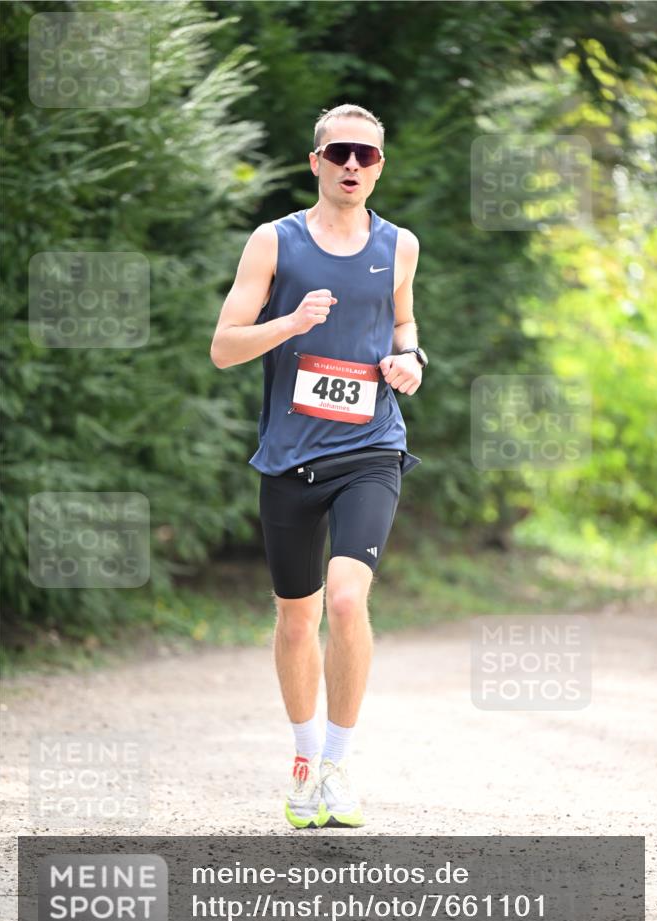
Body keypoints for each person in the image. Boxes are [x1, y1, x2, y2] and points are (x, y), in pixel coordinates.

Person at [210, 103, 426, 829]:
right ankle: (303, 761)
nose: (352, 166)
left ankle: (338, 762)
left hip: (370, 449)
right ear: (316, 162)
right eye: (339, 153)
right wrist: (289, 324)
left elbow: (402, 321)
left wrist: (410, 359)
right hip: (290, 457)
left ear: (379, 166)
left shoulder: (399, 245)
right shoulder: (274, 243)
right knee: (296, 618)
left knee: (344, 600)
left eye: (366, 155)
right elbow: (224, 346)